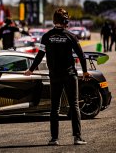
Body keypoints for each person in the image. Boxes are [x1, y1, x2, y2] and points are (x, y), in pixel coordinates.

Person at [24, 8, 91, 146]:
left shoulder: (46, 36)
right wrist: (84, 71)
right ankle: (77, 138)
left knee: (55, 108)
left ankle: (54, 139)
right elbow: (81, 56)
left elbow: (40, 56)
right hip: (70, 75)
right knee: (74, 105)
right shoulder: (71, 36)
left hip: (54, 76)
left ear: (54, 20)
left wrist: (30, 69)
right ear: (65, 21)